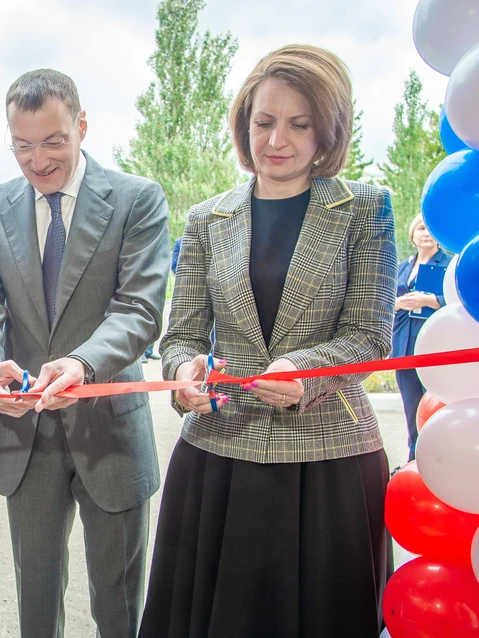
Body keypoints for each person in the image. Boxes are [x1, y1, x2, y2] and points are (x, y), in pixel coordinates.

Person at [139, 45, 398, 637]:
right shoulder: (208, 218)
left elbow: (372, 336)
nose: (276, 139)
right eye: (264, 121)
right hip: (218, 460)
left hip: (327, 465)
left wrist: (302, 369)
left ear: (328, 131)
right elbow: (180, 335)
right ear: (243, 122)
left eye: (298, 124)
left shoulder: (366, 208)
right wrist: (183, 376)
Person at [0, 69, 170, 637]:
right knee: (35, 601)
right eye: (22, 145)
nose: (38, 159)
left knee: (119, 605)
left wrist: (80, 363)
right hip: (26, 436)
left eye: (52, 141)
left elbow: (140, 309)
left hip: (111, 432)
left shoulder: (136, 200)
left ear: (81, 125)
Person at [393, 213, 450, 461]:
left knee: (436, 407)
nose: (425, 233)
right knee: (411, 408)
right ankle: (414, 460)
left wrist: (431, 301)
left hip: (434, 347)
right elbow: (382, 300)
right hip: (404, 347)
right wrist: (396, 303)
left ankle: (440, 458)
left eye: (430, 229)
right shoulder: (402, 267)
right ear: (412, 236)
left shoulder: (449, 265)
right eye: (420, 229)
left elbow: (463, 302)